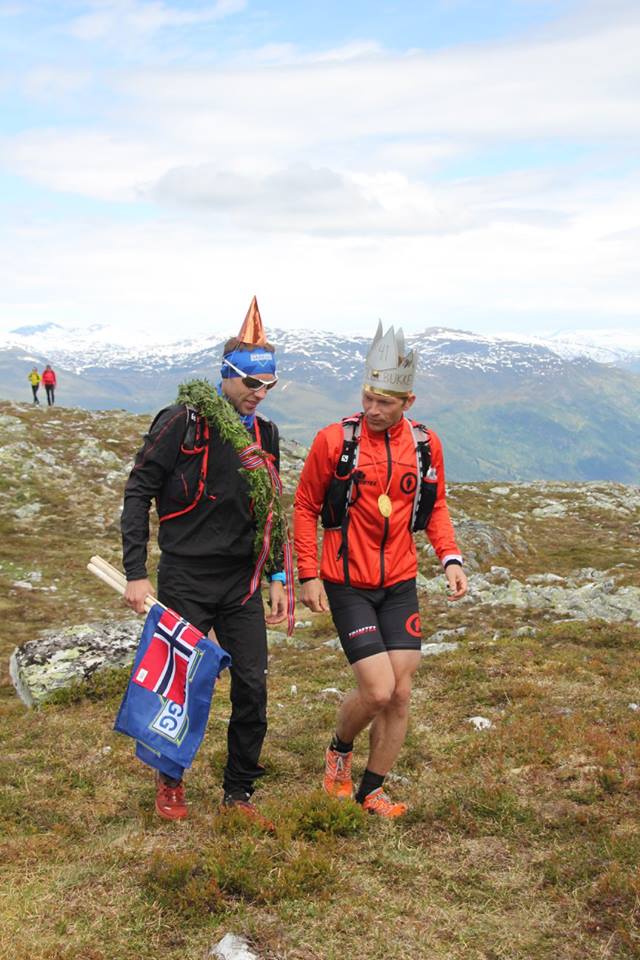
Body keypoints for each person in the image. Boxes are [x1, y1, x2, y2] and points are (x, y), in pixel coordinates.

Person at [121, 297, 289, 823]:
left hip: (241, 582)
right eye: (252, 383)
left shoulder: (265, 434)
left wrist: (278, 574)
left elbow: (271, 508)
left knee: (252, 686)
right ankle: (170, 779)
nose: (260, 394)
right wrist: (135, 572)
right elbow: (138, 491)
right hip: (186, 576)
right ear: (227, 375)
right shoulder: (181, 422)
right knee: (180, 684)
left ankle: (239, 793)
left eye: (269, 385)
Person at [293, 322, 468, 818]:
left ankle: (371, 791)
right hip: (347, 582)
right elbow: (305, 506)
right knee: (377, 690)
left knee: (401, 694)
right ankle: (339, 751)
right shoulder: (334, 441)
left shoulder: (425, 444)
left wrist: (450, 558)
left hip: (399, 583)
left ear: (408, 401)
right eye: (367, 397)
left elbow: (435, 506)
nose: (372, 409)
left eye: (384, 402)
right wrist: (309, 573)